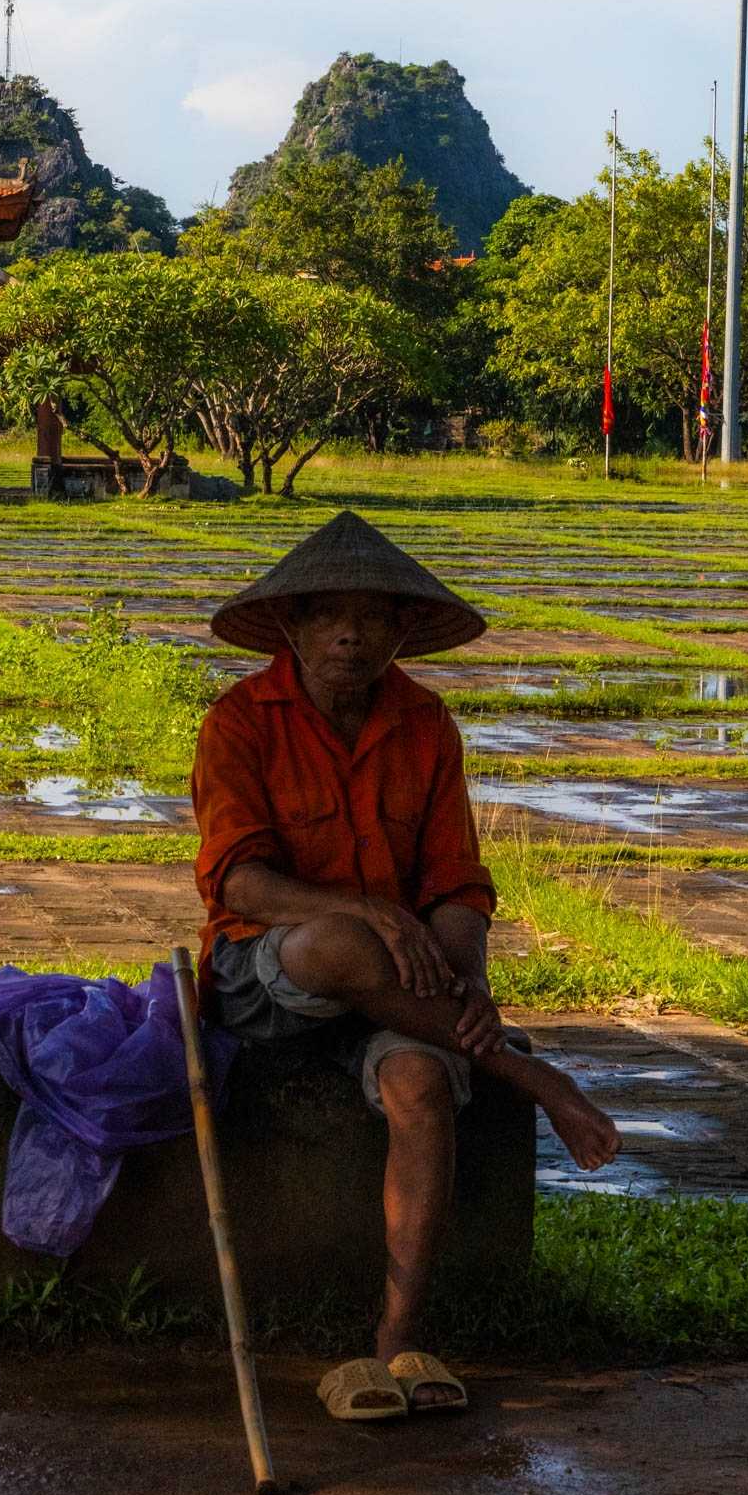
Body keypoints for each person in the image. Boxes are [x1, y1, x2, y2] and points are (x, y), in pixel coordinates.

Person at [190, 510, 622, 1422]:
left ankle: (395, 1342)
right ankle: (531, 1076)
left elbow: (457, 887)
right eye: (329, 616)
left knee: (424, 1080)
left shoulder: (425, 725)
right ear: (293, 626)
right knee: (342, 942)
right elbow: (242, 878)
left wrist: (468, 984)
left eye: (373, 618)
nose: (350, 634)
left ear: (400, 633)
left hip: (403, 994)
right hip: (268, 979)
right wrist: (362, 908)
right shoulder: (239, 721)